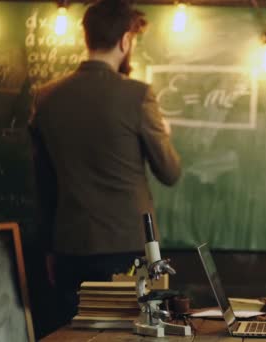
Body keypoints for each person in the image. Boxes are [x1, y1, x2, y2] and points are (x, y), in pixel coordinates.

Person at [28, 0, 182, 327]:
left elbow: (43, 183)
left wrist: (49, 249)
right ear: (126, 41)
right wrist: (163, 133)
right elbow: (169, 172)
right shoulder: (138, 95)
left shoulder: (46, 96)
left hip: (69, 244)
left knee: (73, 331)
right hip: (126, 247)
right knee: (127, 332)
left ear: (88, 37)